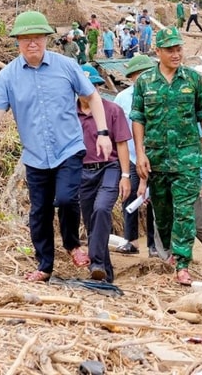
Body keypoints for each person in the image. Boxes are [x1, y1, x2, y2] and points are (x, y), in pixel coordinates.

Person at [0, 11, 113, 282]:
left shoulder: (66, 66)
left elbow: (93, 97)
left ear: (46, 39)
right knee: (40, 211)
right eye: (25, 39)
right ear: (18, 43)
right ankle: (45, 266)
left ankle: (72, 243)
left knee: (66, 198)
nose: (32, 44)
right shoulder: (9, 76)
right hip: (35, 155)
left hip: (69, 148)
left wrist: (103, 132)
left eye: (37, 38)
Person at [131, 27, 202, 286]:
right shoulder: (145, 82)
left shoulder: (192, 79)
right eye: (170, 49)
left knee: (184, 213)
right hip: (156, 159)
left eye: (179, 48)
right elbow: (138, 118)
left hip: (187, 158)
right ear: (157, 52)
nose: (176, 53)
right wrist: (141, 154)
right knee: (162, 212)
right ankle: (168, 252)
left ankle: (182, 263)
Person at [77, 67, 132, 282]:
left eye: (94, 86)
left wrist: (126, 175)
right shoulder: (70, 112)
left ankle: (96, 262)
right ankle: (105, 273)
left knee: (101, 210)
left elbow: (122, 144)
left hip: (109, 168)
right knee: (91, 222)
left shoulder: (112, 111)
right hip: (82, 171)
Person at [113, 54, 157, 257]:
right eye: (137, 75)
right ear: (131, 78)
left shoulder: (160, 94)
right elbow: (116, 127)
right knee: (128, 196)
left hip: (156, 155)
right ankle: (130, 240)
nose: (142, 78)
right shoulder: (122, 98)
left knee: (155, 199)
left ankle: (154, 244)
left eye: (146, 73)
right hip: (130, 155)